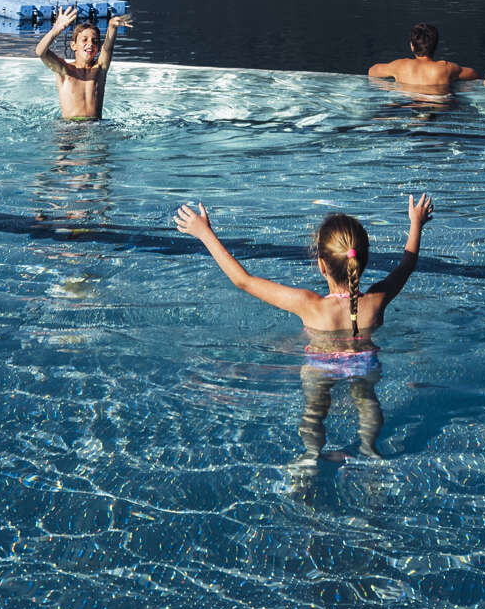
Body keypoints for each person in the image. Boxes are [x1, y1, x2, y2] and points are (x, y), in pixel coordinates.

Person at [174, 193, 435, 459]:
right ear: (362, 261)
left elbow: (244, 280)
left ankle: (311, 455)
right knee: (367, 403)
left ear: (321, 265)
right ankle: (369, 449)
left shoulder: (308, 304)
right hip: (364, 363)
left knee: (314, 411)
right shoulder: (377, 300)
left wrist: (204, 233)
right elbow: (407, 264)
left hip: (319, 366)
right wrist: (416, 222)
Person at [34, 8, 130, 120]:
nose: (90, 44)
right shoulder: (64, 70)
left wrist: (112, 27)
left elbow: (107, 49)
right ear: (73, 45)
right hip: (69, 127)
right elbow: (40, 52)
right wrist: (55, 30)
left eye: (95, 41)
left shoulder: (99, 69)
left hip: (95, 127)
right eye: (84, 40)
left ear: (98, 47)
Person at [367, 22, 478, 94]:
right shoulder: (446, 68)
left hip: (406, 102)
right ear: (436, 46)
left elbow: (372, 71)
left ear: (412, 46)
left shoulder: (400, 66)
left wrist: (389, 85)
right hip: (439, 104)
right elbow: (474, 74)